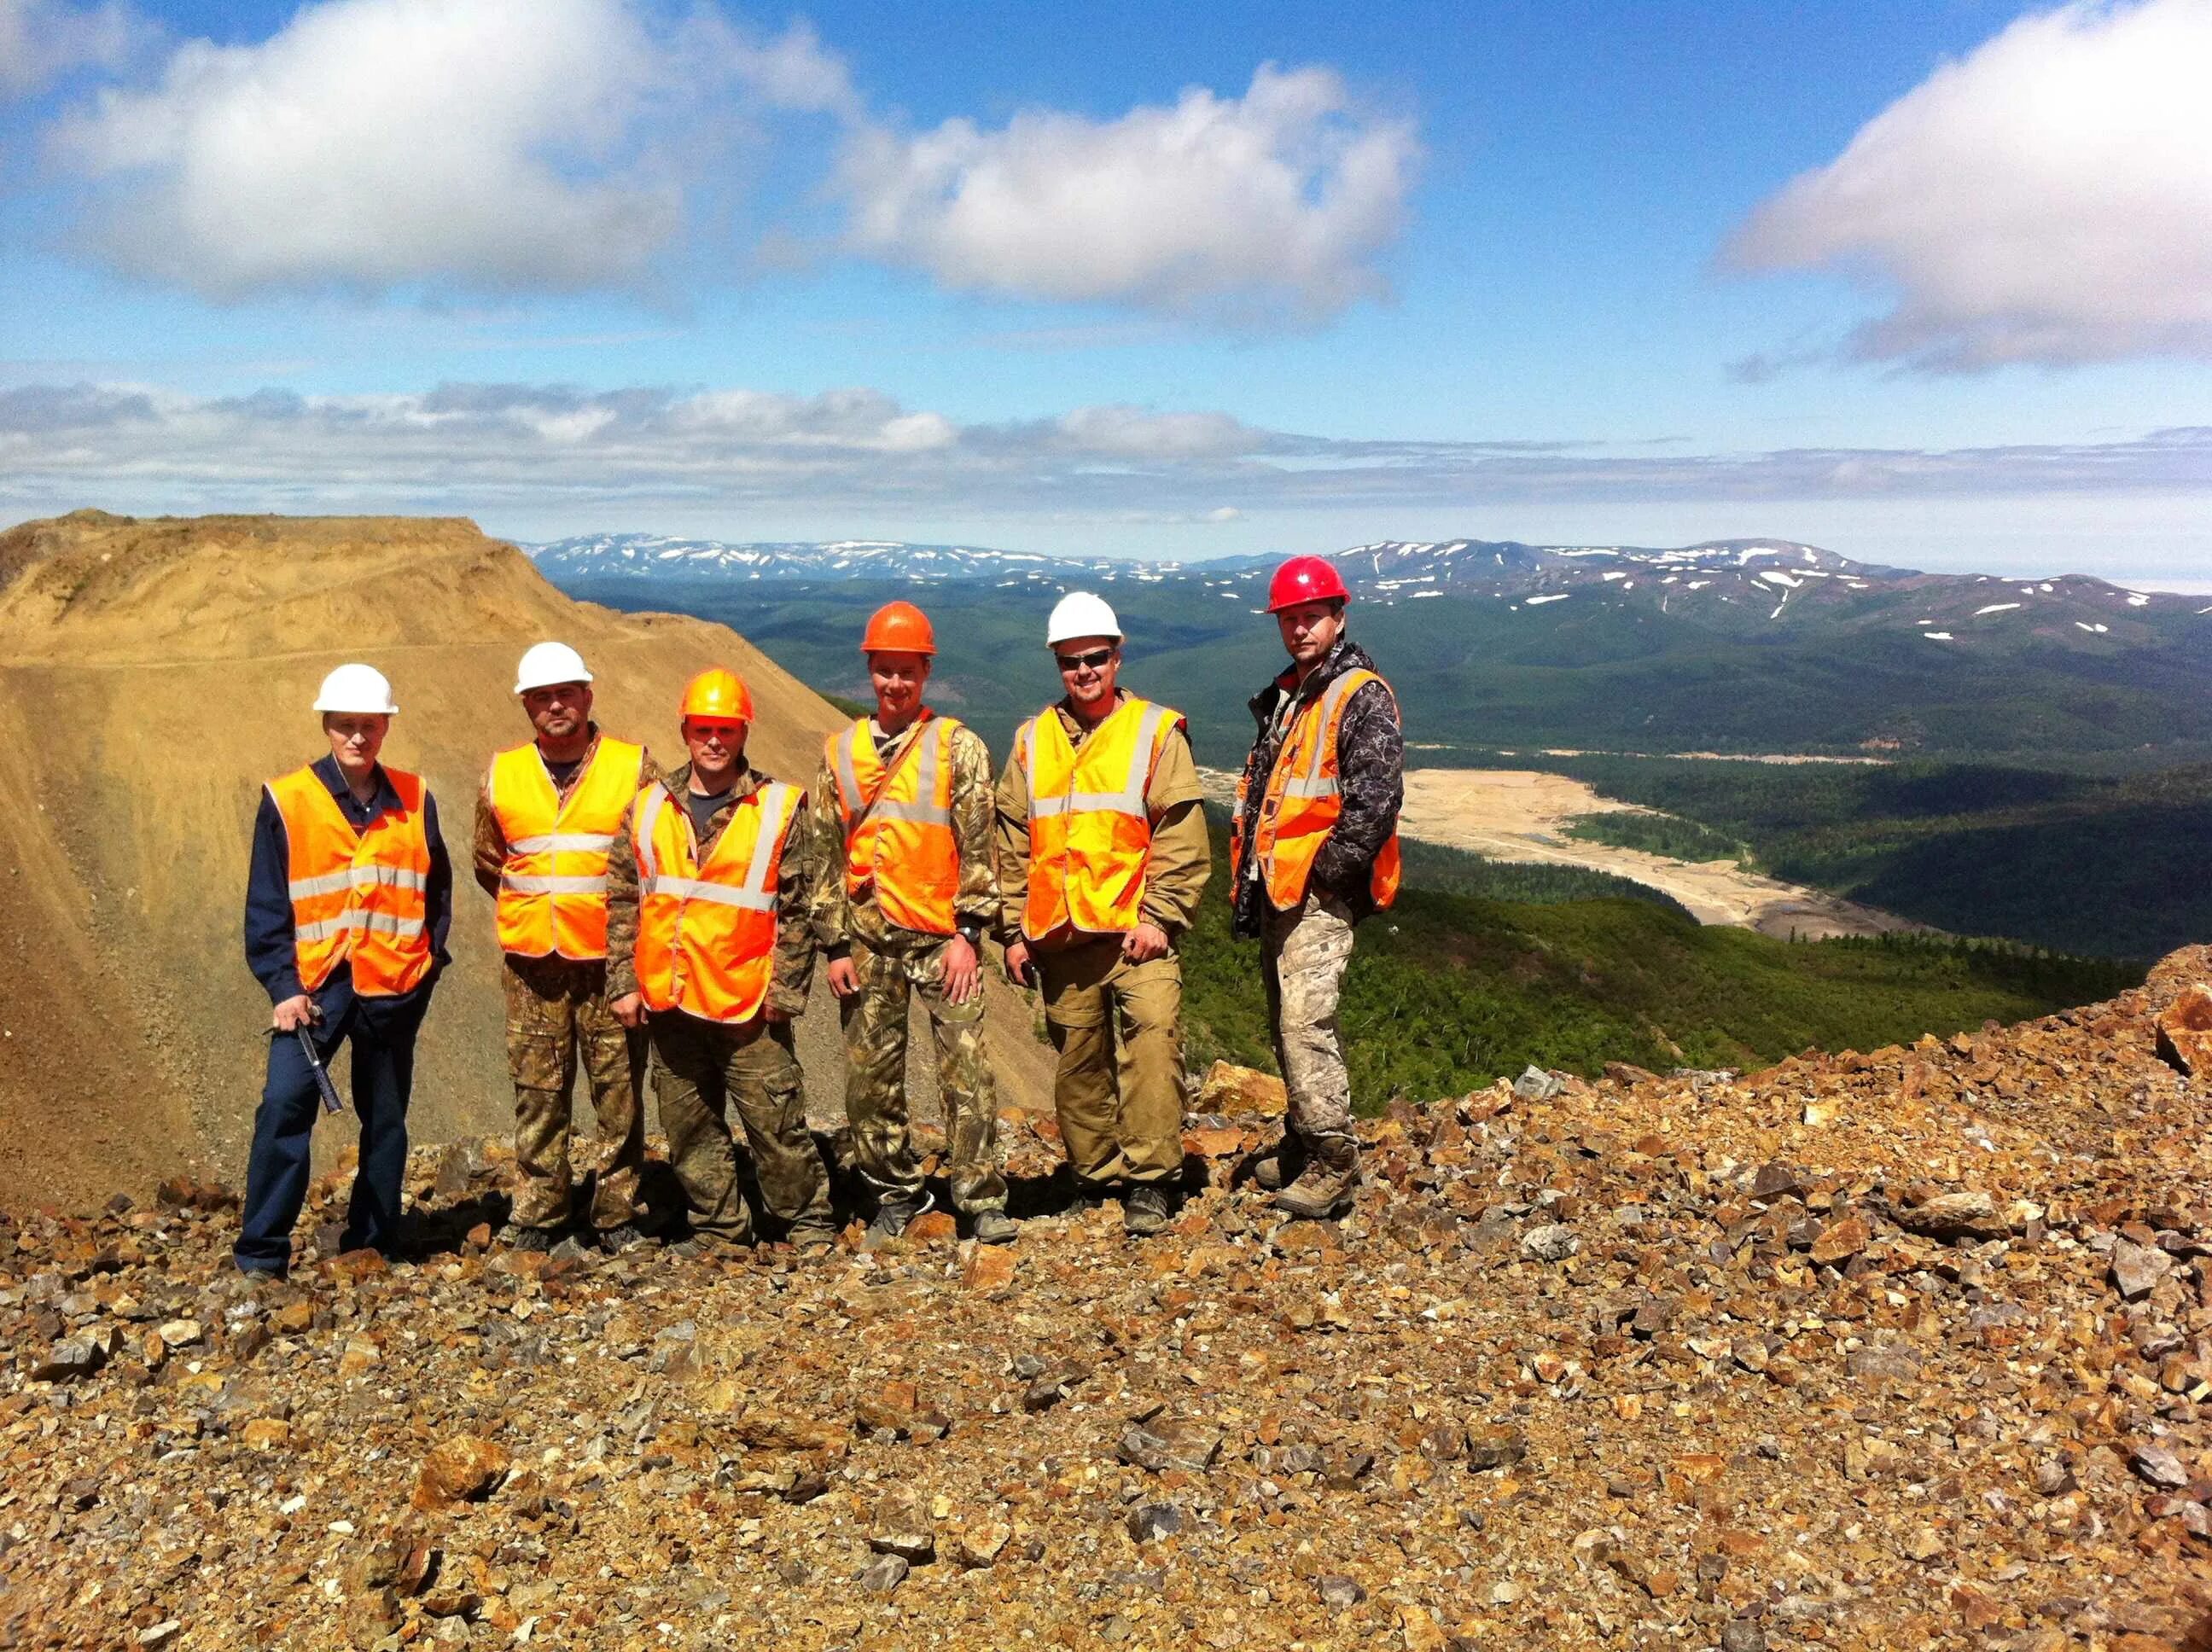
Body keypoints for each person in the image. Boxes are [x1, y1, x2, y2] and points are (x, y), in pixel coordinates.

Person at [995, 592, 1210, 1237]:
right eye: (1071, 661)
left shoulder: (1153, 731)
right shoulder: (1032, 742)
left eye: (1095, 658)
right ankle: (1096, 1175)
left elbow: (1180, 831)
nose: (1084, 671)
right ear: (1058, 664)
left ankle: (1151, 1180)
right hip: (1060, 937)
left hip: (1135, 933)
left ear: (1117, 657)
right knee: (1078, 1062)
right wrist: (1012, 930)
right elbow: (1010, 837)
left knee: (1151, 1043)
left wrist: (1161, 916)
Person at [236, 664, 453, 1276]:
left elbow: (438, 893)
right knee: (284, 1107)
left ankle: (374, 1243)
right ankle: (260, 1254)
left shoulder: (416, 797)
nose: (358, 737)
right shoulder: (289, 799)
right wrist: (283, 987)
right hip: (313, 991)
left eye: (369, 726)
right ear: (327, 726)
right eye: (346, 726)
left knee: (385, 1119)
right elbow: (267, 903)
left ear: (385, 727)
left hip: (392, 987)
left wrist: (427, 965)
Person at [812, 602, 1016, 1244]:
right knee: (869, 1084)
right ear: (869, 671)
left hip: (942, 941)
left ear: (926, 672)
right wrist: (834, 945)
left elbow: (981, 849)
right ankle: (896, 1192)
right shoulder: (839, 752)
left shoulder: (960, 747)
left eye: (908, 671)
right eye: (885, 671)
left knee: (967, 1074)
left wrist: (970, 935)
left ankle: (981, 1198)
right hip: (868, 943)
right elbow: (824, 852)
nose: (895, 684)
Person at [621, 666, 835, 1254]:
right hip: (672, 999)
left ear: (744, 732)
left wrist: (785, 995)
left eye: (727, 729)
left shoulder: (779, 807)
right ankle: (720, 1230)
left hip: (749, 1004)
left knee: (776, 1124)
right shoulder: (645, 809)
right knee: (688, 1127)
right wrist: (626, 982)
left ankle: (806, 1222)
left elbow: (799, 909)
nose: (714, 741)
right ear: (685, 730)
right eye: (702, 729)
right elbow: (623, 902)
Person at [1229, 556, 1403, 1219]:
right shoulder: (1291, 695)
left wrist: (1327, 876)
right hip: (1279, 890)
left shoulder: (1358, 693)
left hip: (1317, 896)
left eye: (1311, 617)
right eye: (1290, 619)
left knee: (1305, 1023)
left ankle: (1336, 1163)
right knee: (1284, 1023)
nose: (1299, 629)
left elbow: (1375, 800)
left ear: (1338, 617)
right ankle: (1304, 1142)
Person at [474, 642, 655, 1255]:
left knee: (619, 1095)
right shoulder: (503, 773)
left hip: (612, 969)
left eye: (566, 694)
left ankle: (615, 1213)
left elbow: (656, 862)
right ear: (527, 705)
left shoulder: (634, 767)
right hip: (533, 970)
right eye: (542, 697)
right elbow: (488, 860)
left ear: (587, 697)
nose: (555, 705)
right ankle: (539, 1210)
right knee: (538, 1094)